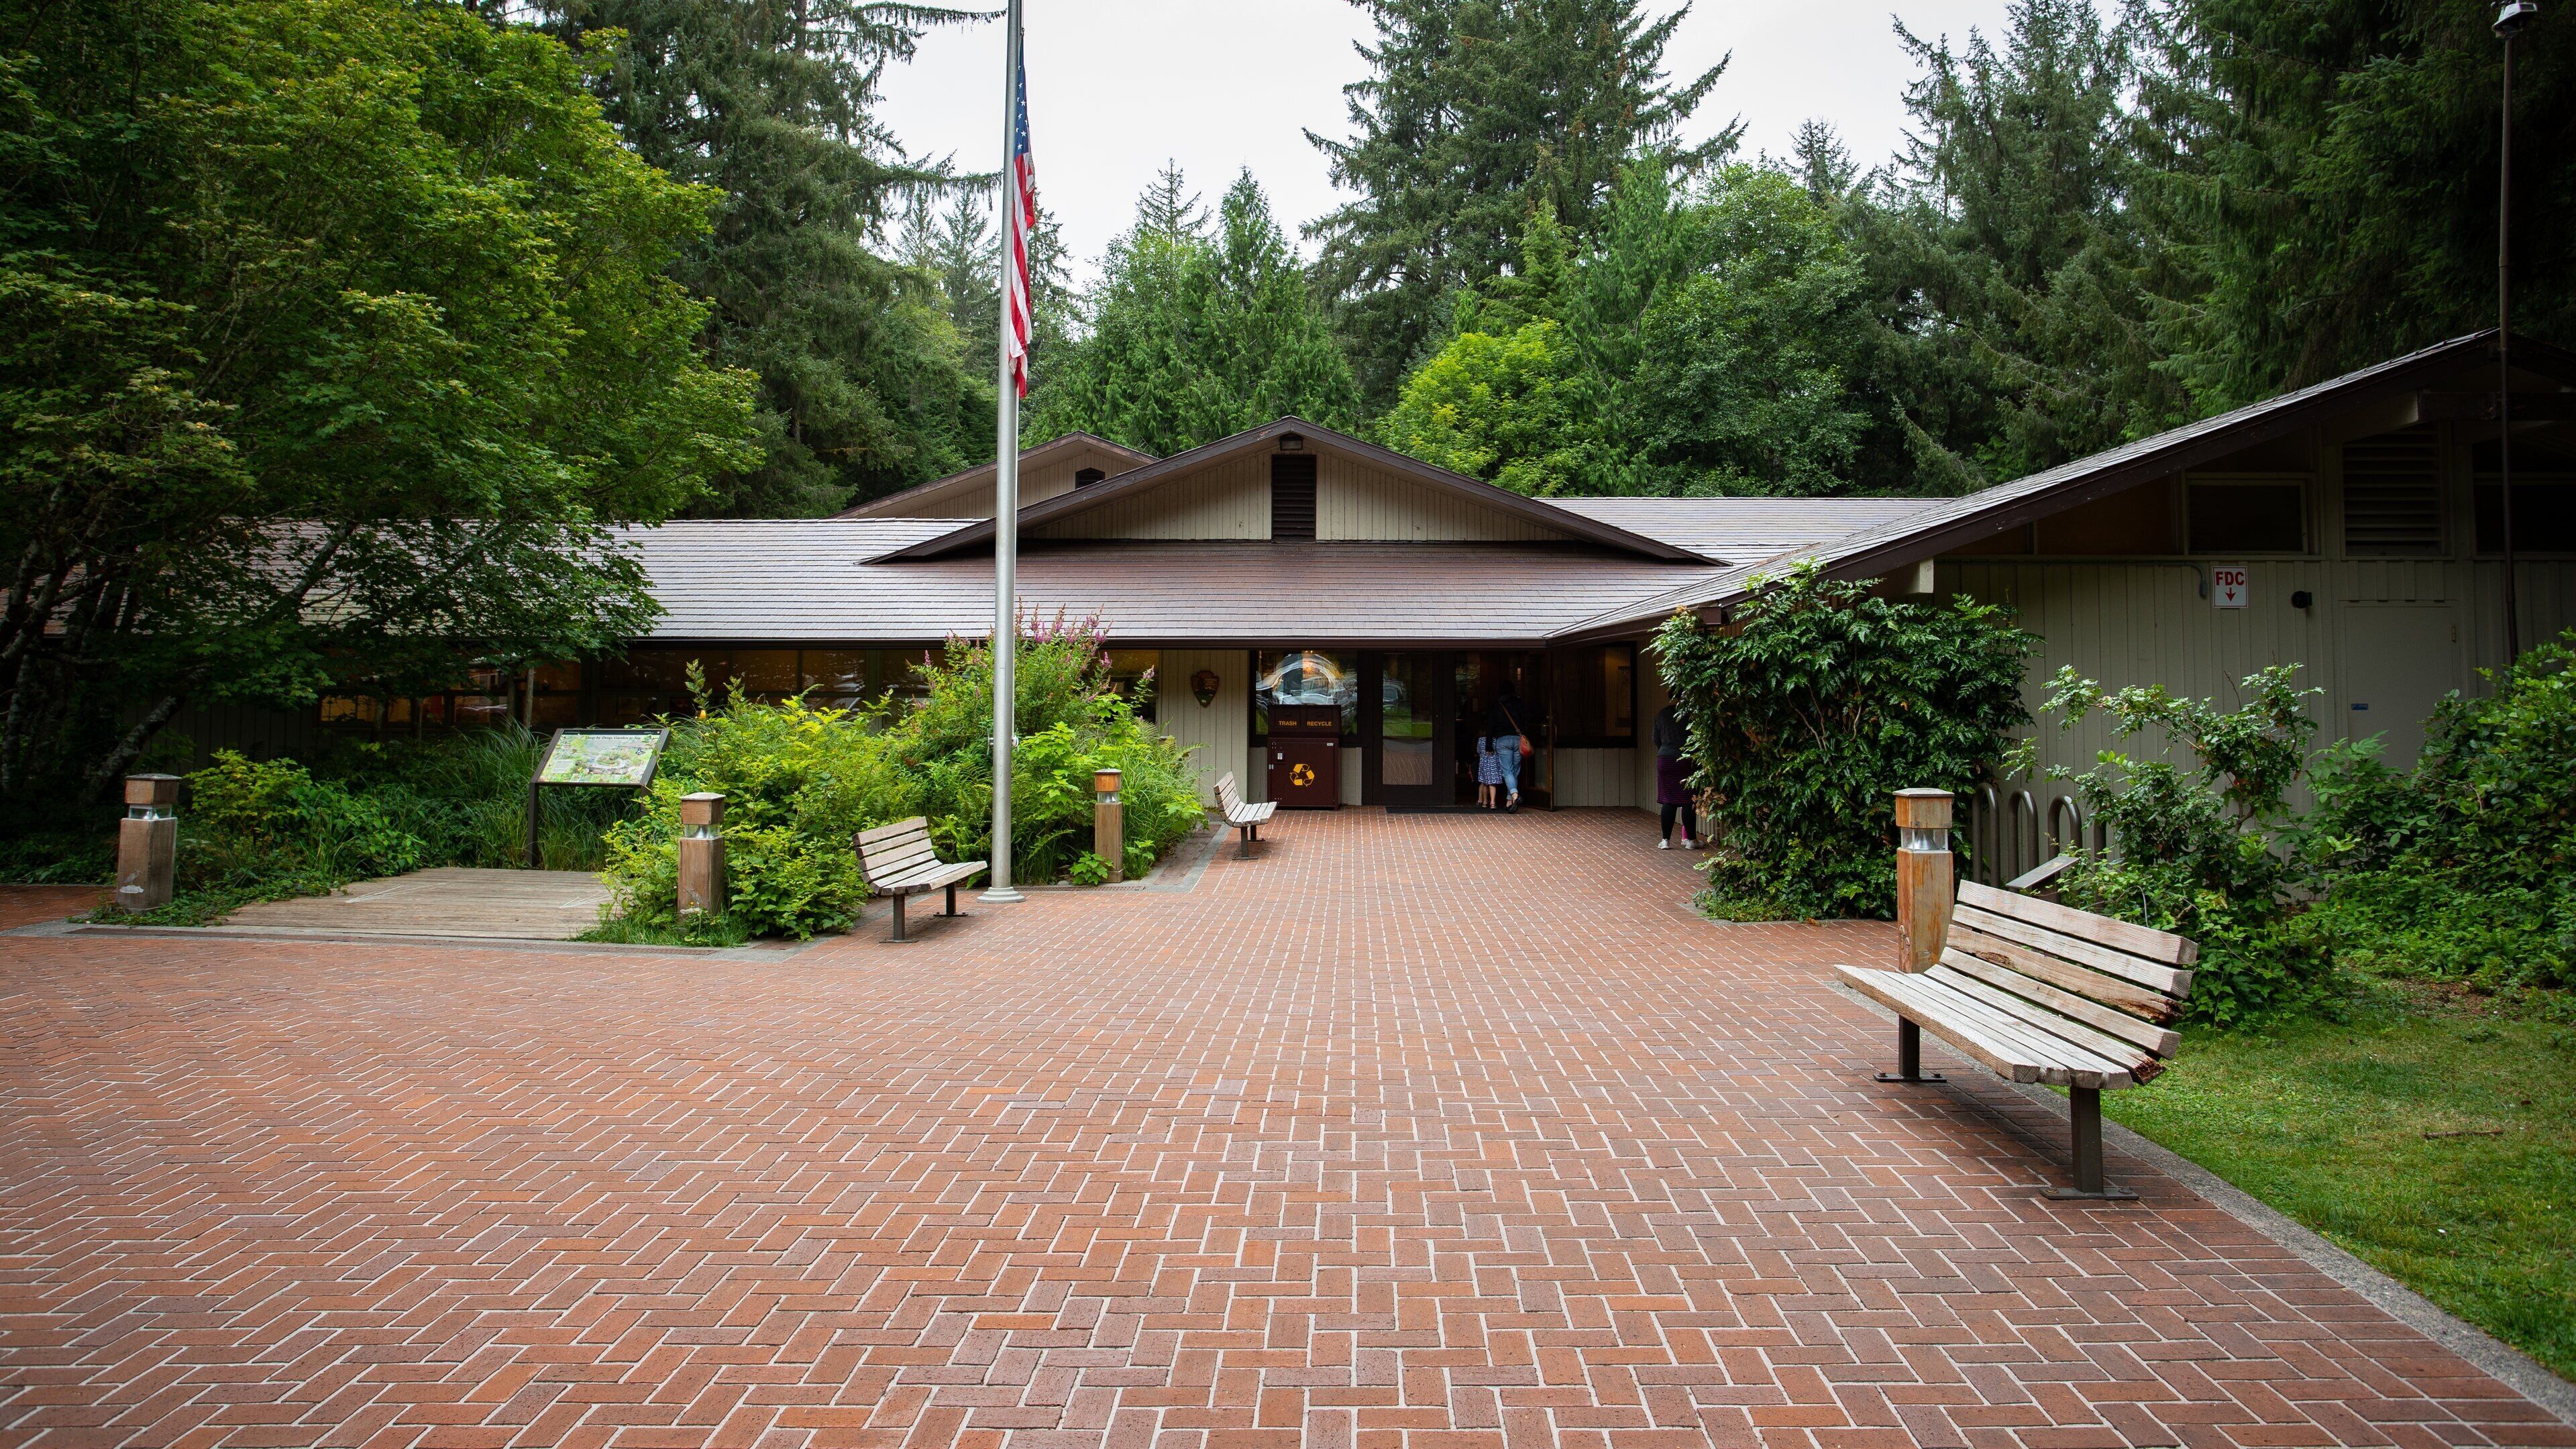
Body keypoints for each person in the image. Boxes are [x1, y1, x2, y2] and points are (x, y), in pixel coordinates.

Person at [1653, 702, 1697, 849]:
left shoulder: (1662, 713)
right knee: (1688, 799)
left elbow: (1655, 739)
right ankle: (1691, 841)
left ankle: (1665, 840)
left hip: (1665, 759)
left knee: (1668, 799)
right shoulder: (1690, 713)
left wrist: (1665, 750)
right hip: (1686, 758)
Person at [1487, 687, 1533, 811]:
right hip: (1518, 740)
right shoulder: (1519, 704)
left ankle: (1514, 794)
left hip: (1502, 741)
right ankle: (1509, 801)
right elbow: (1526, 719)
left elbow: (1490, 727)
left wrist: (1489, 745)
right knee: (1515, 772)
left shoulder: (1496, 707)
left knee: (1507, 771)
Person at [1474, 733, 1504, 809]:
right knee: (1492, 783)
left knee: (1484, 783)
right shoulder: (1496, 740)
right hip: (1494, 763)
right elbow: (1499, 750)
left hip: (1484, 762)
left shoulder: (1481, 740)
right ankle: (1493, 803)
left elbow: (1478, 751)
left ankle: (1484, 802)